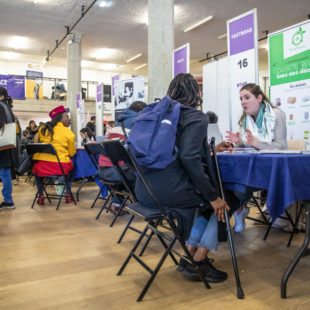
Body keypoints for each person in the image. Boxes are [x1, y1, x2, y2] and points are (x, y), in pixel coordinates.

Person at [134, 74, 239, 283]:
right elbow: (188, 158)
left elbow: (175, 151)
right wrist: (212, 196)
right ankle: (198, 261)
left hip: (143, 191)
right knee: (224, 201)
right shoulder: (196, 117)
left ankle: (188, 254)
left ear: (171, 92)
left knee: (210, 200)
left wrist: (209, 149)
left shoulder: (158, 114)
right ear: (196, 94)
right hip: (170, 192)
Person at [225, 83, 287, 232]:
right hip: (251, 169)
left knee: (233, 183)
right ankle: (238, 210)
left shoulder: (276, 114)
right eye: (241, 99)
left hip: (270, 171)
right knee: (222, 179)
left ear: (259, 98)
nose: (243, 102)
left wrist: (256, 143)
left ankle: (237, 211)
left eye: (247, 97)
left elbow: (281, 147)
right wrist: (237, 142)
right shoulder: (247, 119)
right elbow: (247, 148)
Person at [97, 101, 147, 214]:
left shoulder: (118, 123)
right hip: (116, 171)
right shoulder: (137, 121)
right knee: (142, 177)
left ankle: (116, 204)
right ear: (140, 112)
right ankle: (145, 207)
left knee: (126, 177)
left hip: (103, 170)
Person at [32, 105, 76, 205]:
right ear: (61, 118)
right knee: (73, 167)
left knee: (36, 170)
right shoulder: (69, 133)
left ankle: (41, 195)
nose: (68, 118)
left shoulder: (42, 129)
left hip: (42, 166)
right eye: (66, 116)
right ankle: (68, 195)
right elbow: (72, 153)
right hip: (60, 167)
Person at [0, 87, 16, 210]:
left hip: (2, 145)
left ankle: (8, 201)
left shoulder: (1, 107)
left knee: (4, 173)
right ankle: (8, 200)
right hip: (7, 144)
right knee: (5, 172)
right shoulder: (8, 108)